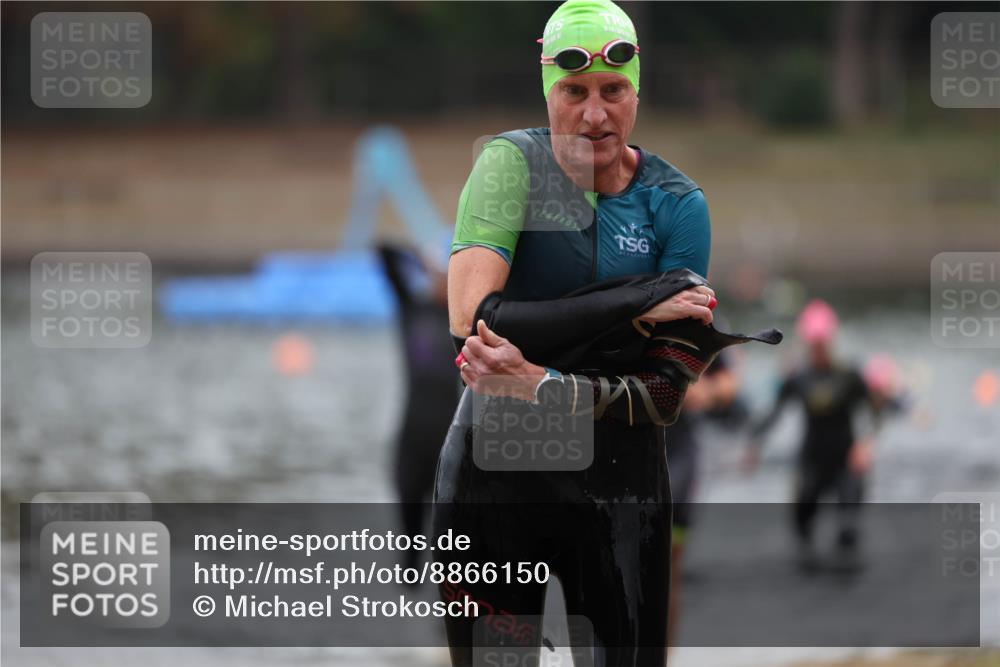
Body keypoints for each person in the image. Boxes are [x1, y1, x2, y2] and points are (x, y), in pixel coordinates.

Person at [431, 2, 720, 664]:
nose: (595, 115)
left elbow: (665, 394)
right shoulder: (510, 166)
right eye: (574, 92)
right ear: (548, 91)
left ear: (636, 91)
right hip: (494, 487)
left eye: (613, 91)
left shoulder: (676, 205)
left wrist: (540, 382)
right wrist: (638, 299)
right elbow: (471, 325)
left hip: (621, 490)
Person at [747, 299, 896, 571]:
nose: (818, 350)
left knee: (848, 530)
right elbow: (774, 415)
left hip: (846, 460)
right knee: (802, 530)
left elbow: (876, 415)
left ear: (831, 341)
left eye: (822, 344)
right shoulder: (797, 377)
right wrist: (753, 443)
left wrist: (865, 445)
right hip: (812, 460)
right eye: (813, 344)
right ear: (806, 342)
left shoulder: (849, 375)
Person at [375, 243, 460, 572]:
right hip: (411, 438)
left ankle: (446, 614)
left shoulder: (462, 321)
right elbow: (383, 253)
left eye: (449, 277)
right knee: (409, 554)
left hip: (447, 442)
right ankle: (404, 612)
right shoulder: (412, 309)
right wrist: (421, 261)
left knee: (450, 548)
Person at [664, 348, 742, 649]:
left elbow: (729, 384)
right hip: (630, 452)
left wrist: (698, 391)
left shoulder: (700, 318)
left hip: (680, 455)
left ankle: (666, 654)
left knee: (669, 568)